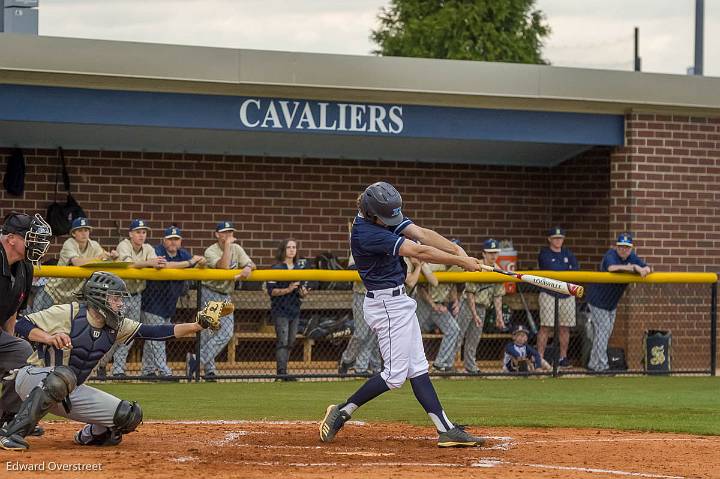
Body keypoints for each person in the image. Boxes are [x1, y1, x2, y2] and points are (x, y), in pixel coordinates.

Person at [320, 181, 486, 448]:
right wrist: (461, 262)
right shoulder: (366, 233)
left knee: (418, 369)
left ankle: (446, 430)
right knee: (394, 376)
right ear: (372, 213)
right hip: (385, 306)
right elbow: (418, 250)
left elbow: (420, 233)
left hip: (400, 303)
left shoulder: (378, 213)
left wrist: (457, 250)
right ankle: (342, 410)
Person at [0, 271, 217, 451]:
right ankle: (12, 433)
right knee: (62, 376)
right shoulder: (68, 312)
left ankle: (89, 435)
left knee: (129, 415)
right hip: (32, 379)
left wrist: (196, 326)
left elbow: (155, 331)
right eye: (115, 298)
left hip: (70, 389)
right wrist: (49, 337)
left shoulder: (116, 325)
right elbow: (22, 324)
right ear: (99, 297)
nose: (120, 303)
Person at [0, 212, 51, 431]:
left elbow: (12, 312)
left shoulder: (24, 267)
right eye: (30, 238)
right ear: (11, 238)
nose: (37, 244)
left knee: (20, 351)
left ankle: (8, 416)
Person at [102, 219, 167, 378]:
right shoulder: (124, 245)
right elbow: (128, 265)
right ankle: (100, 363)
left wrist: (156, 264)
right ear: (130, 234)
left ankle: (117, 369)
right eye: (138, 232)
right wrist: (149, 262)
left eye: (143, 232)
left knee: (128, 333)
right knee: (111, 332)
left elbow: (155, 264)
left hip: (136, 295)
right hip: (117, 297)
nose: (141, 235)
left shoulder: (148, 248)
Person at [140, 226, 206, 378]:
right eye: (170, 239)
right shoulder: (157, 251)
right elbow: (164, 265)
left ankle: (147, 371)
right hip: (151, 302)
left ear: (180, 241)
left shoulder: (182, 254)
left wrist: (200, 261)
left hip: (169, 304)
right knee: (158, 338)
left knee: (153, 338)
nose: (173, 242)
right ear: (164, 240)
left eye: (176, 239)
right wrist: (190, 262)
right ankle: (164, 372)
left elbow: (200, 262)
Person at [196, 221, 256, 381]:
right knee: (209, 333)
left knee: (226, 333)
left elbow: (251, 263)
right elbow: (223, 267)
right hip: (210, 293)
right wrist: (228, 246)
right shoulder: (211, 250)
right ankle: (209, 370)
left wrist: (248, 267)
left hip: (226, 294)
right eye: (225, 232)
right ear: (217, 234)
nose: (229, 235)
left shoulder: (238, 248)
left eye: (230, 232)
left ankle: (197, 361)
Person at [585, 233, 652, 372]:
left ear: (631, 248)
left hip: (611, 303)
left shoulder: (632, 257)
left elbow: (646, 268)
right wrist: (633, 268)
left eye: (627, 248)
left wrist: (644, 269)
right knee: (603, 332)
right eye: (621, 247)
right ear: (616, 247)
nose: (624, 250)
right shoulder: (611, 254)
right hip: (597, 300)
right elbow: (611, 268)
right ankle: (602, 367)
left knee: (604, 334)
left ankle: (593, 364)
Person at [31, 217, 118, 313]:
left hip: (72, 297)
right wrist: (98, 258)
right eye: (80, 230)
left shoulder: (94, 245)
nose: (84, 233)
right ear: (73, 233)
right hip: (52, 293)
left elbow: (105, 257)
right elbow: (77, 262)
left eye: (86, 230)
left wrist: (112, 257)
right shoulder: (69, 243)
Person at [456, 239, 505, 374]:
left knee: (474, 338)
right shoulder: (476, 266)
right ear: (483, 254)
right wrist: (474, 314)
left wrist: (499, 316)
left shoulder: (498, 270)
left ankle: (470, 367)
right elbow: (470, 293)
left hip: (482, 307)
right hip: (467, 305)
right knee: (458, 335)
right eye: (490, 253)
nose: (493, 256)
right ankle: (446, 365)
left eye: (495, 253)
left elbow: (497, 296)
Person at [536, 227, 580, 368]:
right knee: (546, 327)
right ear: (549, 239)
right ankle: (540, 358)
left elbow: (576, 270)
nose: (558, 240)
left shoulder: (568, 253)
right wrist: (564, 269)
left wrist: (564, 270)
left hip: (566, 294)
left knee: (564, 327)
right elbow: (552, 268)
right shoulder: (545, 253)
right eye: (555, 238)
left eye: (560, 238)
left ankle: (563, 358)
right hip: (549, 293)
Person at [266, 239, 309, 381]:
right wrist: (288, 289)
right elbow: (271, 291)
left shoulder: (299, 268)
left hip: (294, 310)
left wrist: (303, 292)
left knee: (290, 342)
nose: (291, 250)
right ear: (283, 250)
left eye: (294, 247)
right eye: (289, 247)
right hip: (280, 310)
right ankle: (281, 372)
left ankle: (284, 371)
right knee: (282, 341)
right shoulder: (276, 268)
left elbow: (302, 291)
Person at [416, 262, 461, 372]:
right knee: (412, 332)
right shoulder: (434, 266)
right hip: (423, 304)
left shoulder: (456, 267)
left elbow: (452, 285)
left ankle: (442, 364)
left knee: (453, 329)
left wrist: (455, 300)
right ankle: (404, 364)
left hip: (439, 305)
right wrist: (433, 305)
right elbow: (421, 289)